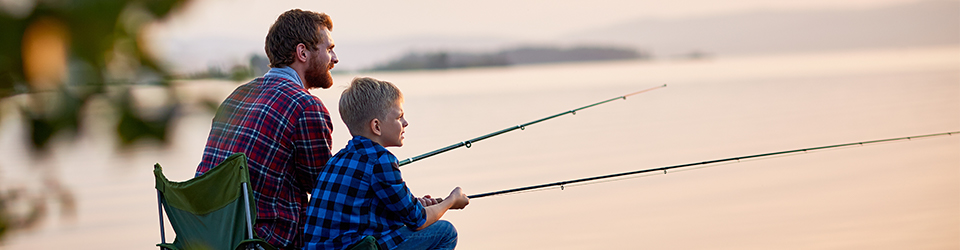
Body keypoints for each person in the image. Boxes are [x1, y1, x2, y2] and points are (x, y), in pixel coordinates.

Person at [194, 9, 338, 250]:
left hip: (212, 235)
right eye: (329, 48)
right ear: (302, 52)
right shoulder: (306, 106)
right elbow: (325, 192)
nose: (335, 58)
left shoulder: (237, 95)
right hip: (265, 241)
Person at [303, 77, 470, 250]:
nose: (406, 123)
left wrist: (416, 203)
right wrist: (451, 201)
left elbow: (368, 210)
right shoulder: (381, 160)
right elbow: (418, 220)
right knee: (445, 232)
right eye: (399, 117)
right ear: (376, 126)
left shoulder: (337, 159)